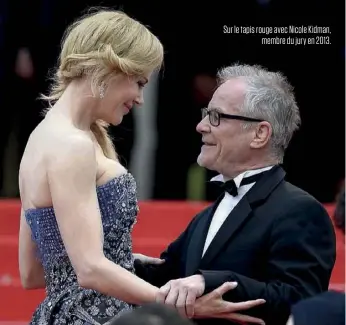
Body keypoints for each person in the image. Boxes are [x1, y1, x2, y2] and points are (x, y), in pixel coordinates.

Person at [18, 9, 266, 325]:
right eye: (138, 82)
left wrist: (121, 262)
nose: (140, 98)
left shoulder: (42, 139)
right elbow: (90, 269)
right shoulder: (73, 146)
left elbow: (33, 272)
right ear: (108, 68)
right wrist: (183, 305)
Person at [134, 64, 337, 325]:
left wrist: (209, 281)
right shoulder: (208, 214)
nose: (201, 126)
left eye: (216, 116)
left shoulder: (300, 210)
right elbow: (169, 276)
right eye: (206, 114)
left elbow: (300, 303)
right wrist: (122, 262)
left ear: (260, 134)